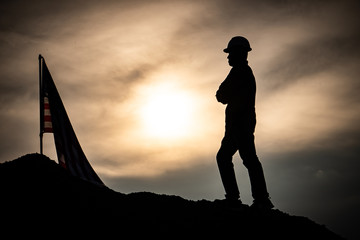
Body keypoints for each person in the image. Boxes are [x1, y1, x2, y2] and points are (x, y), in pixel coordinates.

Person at [216, 36, 274, 209]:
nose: (228, 57)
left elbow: (221, 95)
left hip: (239, 124)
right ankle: (260, 198)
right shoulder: (242, 72)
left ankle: (243, 198)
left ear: (239, 53)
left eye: (230, 53)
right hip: (240, 124)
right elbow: (222, 95)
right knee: (247, 159)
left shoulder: (240, 72)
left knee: (231, 157)